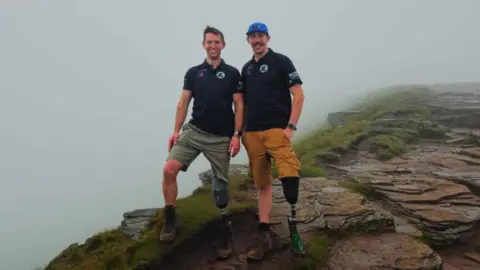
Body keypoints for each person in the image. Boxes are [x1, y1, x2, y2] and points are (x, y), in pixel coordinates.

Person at [159, 25, 244, 260]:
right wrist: (176, 131)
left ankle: (224, 231)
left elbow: (239, 105)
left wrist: (237, 135)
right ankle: (170, 221)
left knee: (220, 189)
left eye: (217, 42)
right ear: (203, 45)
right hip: (194, 131)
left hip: (221, 137)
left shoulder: (232, 73)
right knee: (168, 169)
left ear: (223, 45)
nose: (213, 46)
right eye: (209, 42)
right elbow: (183, 103)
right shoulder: (194, 73)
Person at [239, 22, 305, 261]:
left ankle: (295, 222)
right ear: (248, 40)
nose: (257, 40)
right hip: (253, 134)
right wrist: (241, 133)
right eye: (253, 37)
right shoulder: (246, 69)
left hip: (277, 130)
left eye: (260, 36)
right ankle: (264, 234)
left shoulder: (281, 61)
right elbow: (242, 104)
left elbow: (298, 94)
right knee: (262, 183)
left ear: (268, 37)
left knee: (289, 175)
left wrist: (291, 127)